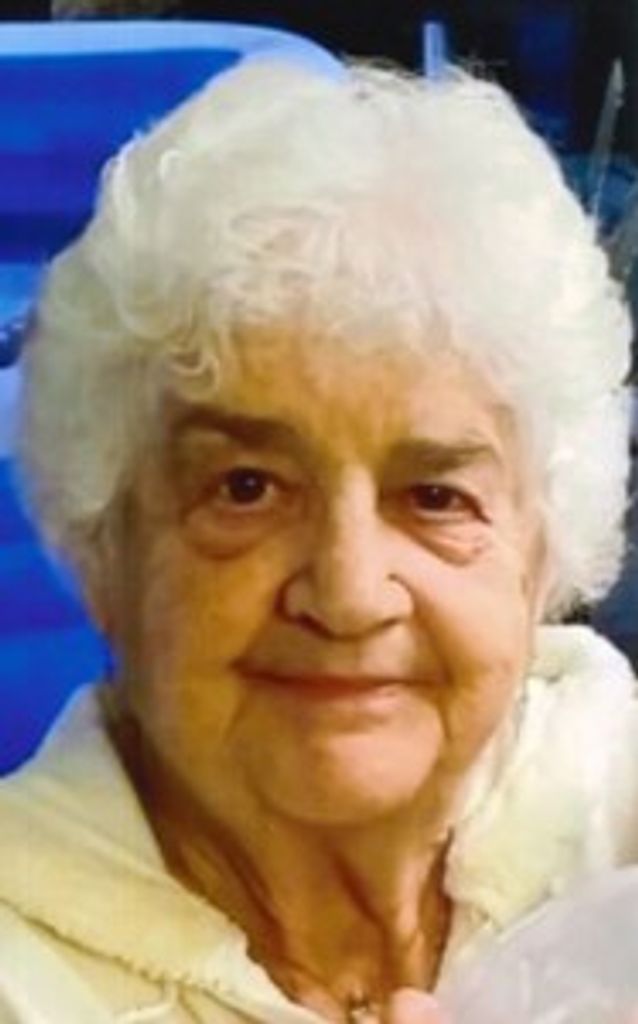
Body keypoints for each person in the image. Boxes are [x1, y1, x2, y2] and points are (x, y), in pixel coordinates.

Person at [1, 57, 637, 1024]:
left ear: (541, 557)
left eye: (435, 497)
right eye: (246, 490)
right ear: (101, 548)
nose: (348, 593)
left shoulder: (610, 803)